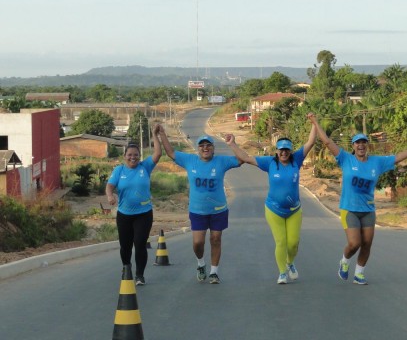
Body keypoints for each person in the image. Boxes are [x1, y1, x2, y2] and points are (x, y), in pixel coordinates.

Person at [309, 113, 407, 285]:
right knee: (354, 243)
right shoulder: (345, 159)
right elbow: (327, 142)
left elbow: (398, 157)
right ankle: (344, 260)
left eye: (364, 142)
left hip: (368, 210)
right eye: (358, 143)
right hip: (349, 208)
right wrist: (315, 122)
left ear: (367, 145)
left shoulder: (377, 162)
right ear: (353, 146)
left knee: (367, 243)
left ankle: (359, 273)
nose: (361, 145)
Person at [225, 121, 316, 284]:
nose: (284, 153)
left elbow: (310, 142)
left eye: (287, 150)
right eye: (281, 150)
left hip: (294, 210)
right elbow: (245, 158)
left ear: (290, 151)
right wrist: (233, 144)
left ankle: (289, 263)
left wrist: (314, 122)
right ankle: (282, 273)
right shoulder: (270, 163)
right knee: (281, 241)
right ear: (277, 151)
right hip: (274, 210)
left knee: (293, 244)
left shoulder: (297, 160)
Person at [158, 128, 242, 284]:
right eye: (202, 145)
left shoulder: (221, 161)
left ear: (213, 148)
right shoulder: (189, 160)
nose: (205, 148)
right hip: (197, 210)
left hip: (218, 210)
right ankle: (201, 264)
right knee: (198, 243)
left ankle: (214, 272)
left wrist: (233, 144)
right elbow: (171, 153)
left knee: (216, 239)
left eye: (208, 145)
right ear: (198, 149)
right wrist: (162, 134)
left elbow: (241, 159)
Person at [106, 124, 162, 286]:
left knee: (139, 243)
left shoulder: (145, 167)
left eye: (136, 155)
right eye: (130, 155)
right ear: (125, 156)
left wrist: (154, 134)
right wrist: (110, 195)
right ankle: (126, 265)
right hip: (124, 214)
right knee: (125, 245)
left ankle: (139, 275)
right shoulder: (119, 171)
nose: (133, 157)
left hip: (144, 213)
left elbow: (158, 153)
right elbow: (110, 186)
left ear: (139, 156)